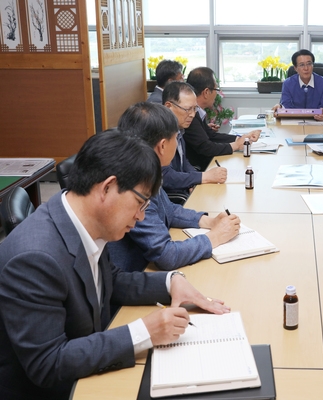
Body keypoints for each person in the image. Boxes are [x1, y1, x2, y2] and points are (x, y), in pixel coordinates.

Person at [0, 131, 230, 399]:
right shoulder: (34, 258)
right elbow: (48, 364)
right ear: (107, 188)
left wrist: (170, 282)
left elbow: (110, 280)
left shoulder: (81, 219)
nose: (141, 215)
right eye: (140, 202)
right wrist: (144, 331)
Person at [108, 102, 241, 272]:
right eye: (176, 137)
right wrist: (214, 237)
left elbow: (168, 209)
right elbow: (166, 256)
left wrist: (209, 221)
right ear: (163, 146)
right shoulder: (133, 185)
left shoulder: (144, 168)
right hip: (136, 277)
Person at [184, 67, 260, 171]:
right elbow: (206, 147)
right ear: (206, 92)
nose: (217, 94)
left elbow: (211, 136)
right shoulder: (190, 115)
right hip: (200, 170)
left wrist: (241, 138)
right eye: (216, 89)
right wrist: (235, 145)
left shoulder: (198, 112)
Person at [161, 81, 227, 196]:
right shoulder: (159, 134)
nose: (192, 114)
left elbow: (184, 163)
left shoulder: (179, 129)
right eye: (188, 109)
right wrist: (203, 177)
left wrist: (196, 179)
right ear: (168, 107)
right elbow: (165, 176)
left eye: (195, 109)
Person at [273, 49, 323, 121]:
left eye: (309, 64)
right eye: (301, 65)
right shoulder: (288, 83)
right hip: (293, 123)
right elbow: (286, 105)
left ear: (313, 65)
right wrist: (280, 109)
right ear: (295, 68)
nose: (306, 68)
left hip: (317, 122)